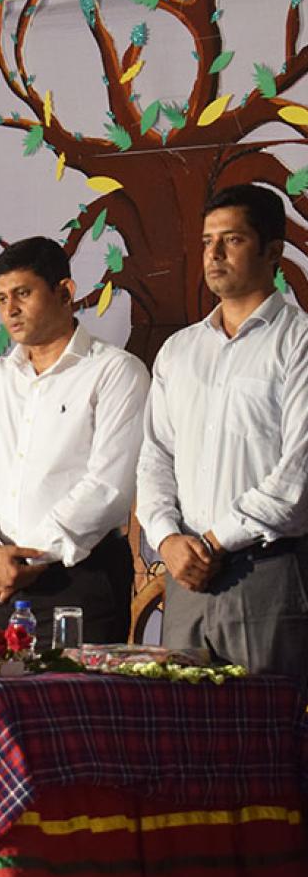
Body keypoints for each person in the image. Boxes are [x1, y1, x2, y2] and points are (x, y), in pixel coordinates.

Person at [137, 184, 308, 678]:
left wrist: (212, 542)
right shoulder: (179, 350)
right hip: (185, 577)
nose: (213, 254)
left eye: (231, 240)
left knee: (267, 723)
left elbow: (297, 477)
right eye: (207, 241)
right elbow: (154, 458)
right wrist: (168, 540)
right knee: (181, 723)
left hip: (267, 573)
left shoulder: (298, 341)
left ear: (272, 251)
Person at [0, 237, 149, 645]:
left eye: (23, 293)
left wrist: (29, 559)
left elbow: (108, 487)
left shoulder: (115, 371)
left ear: (65, 292)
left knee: (74, 688)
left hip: (79, 580)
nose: (10, 309)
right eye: (2, 298)